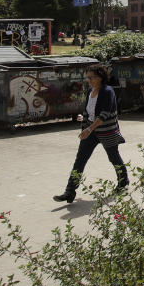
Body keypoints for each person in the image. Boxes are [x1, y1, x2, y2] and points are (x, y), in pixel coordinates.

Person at [53, 64, 128, 203]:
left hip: (106, 131)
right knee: (79, 161)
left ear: (100, 77)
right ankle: (69, 192)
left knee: (114, 158)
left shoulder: (107, 91)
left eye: (92, 77)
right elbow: (88, 111)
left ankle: (123, 183)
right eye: (88, 78)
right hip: (90, 131)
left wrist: (89, 129)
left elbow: (104, 114)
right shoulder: (90, 91)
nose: (89, 80)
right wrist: (85, 124)